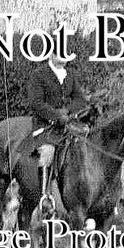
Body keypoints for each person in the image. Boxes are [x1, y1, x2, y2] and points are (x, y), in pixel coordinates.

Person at [26, 53, 92, 213]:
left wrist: (67, 112)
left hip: (67, 124)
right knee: (48, 152)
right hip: (45, 126)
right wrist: (56, 116)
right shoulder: (38, 75)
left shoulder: (70, 74)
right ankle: (45, 197)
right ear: (51, 55)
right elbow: (36, 103)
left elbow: (80, 100)